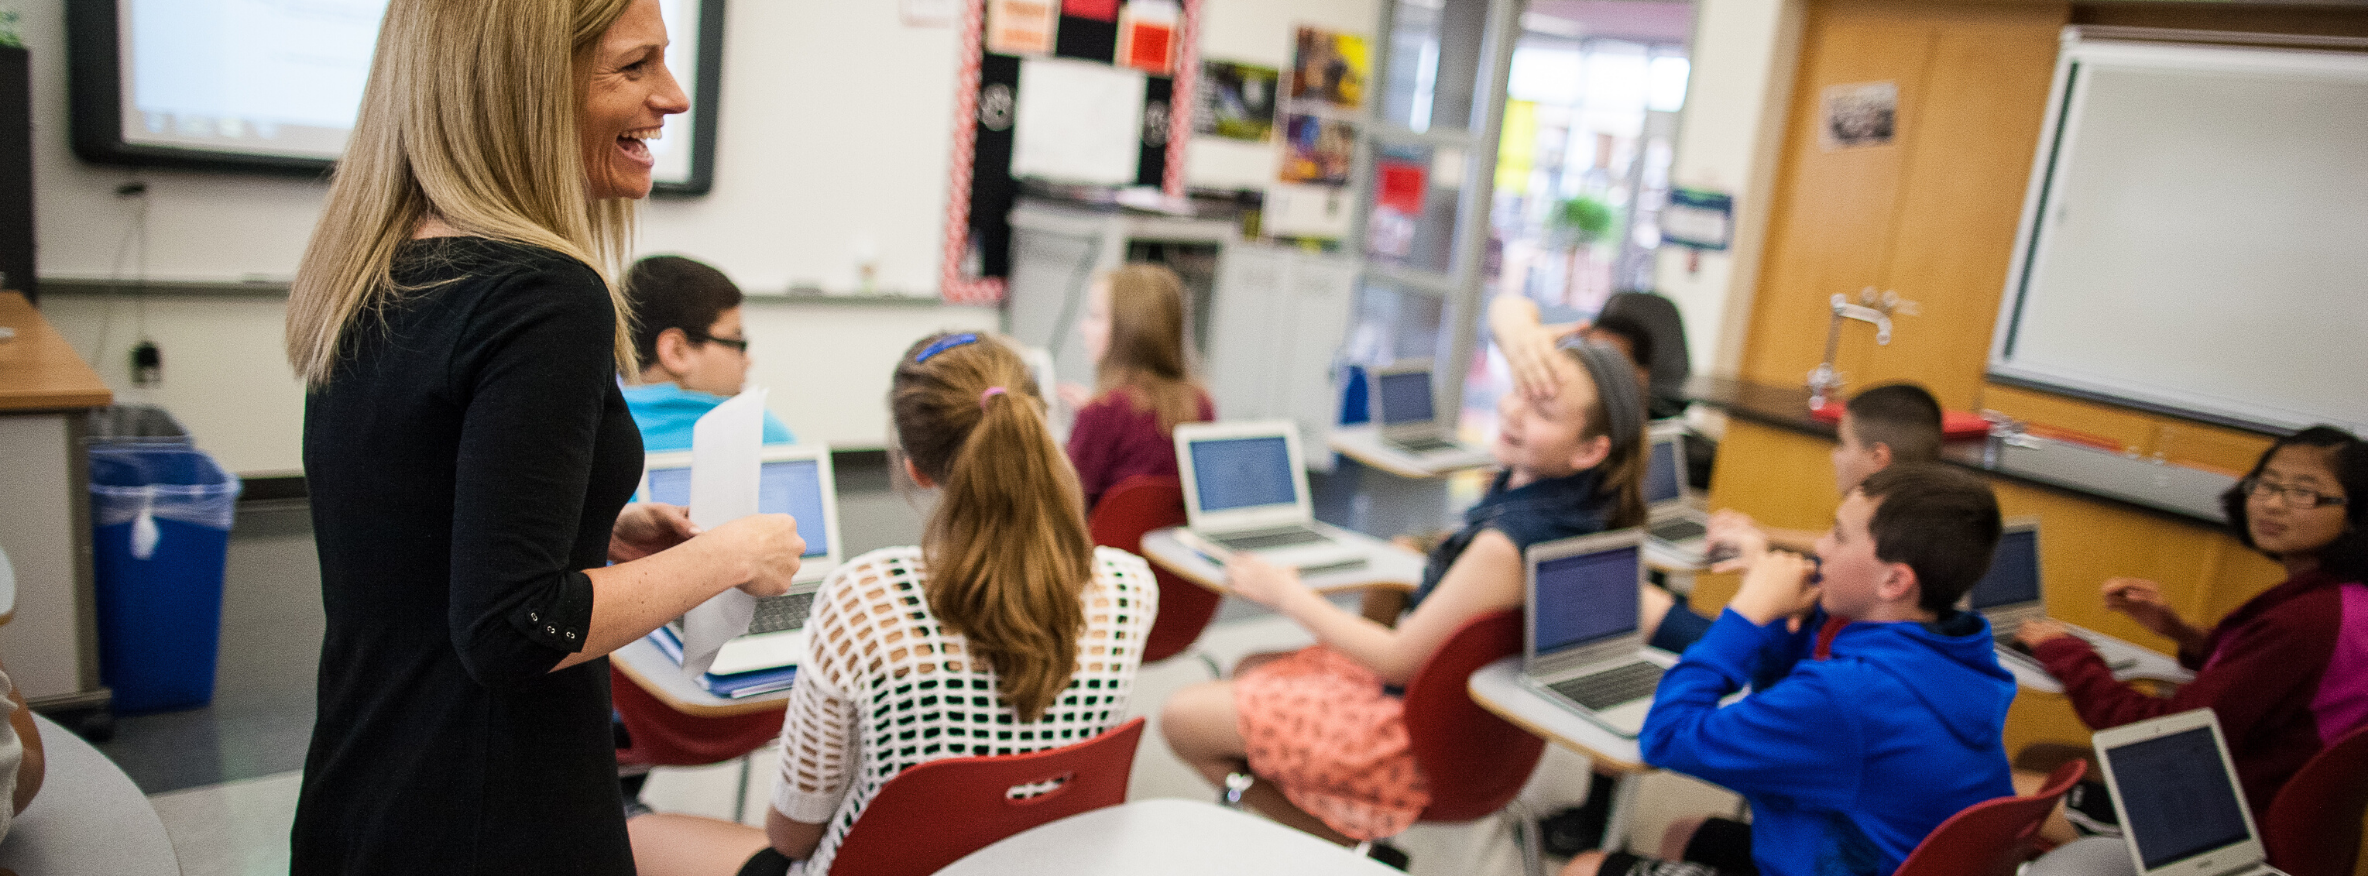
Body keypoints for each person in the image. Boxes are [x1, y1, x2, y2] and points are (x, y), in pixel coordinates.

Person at [282, 1, 805, 871]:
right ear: (526, 87)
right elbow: (516, 630)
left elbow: (410, 522)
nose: (672, 97)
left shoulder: (379, 269)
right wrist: (731, 556)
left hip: (367, 787)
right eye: (634, 68)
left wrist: (592, 525)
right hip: (495, 815)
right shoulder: (544, 299)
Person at [625, 332, 1159, 876]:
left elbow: (792, 836)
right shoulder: (1132, 587)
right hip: (1032, 864)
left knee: (633, 832)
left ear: (916, 468)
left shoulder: (865, 601)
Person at [1161, 337, 1649, 851]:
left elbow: (1396, 659)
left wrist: (1287, 595)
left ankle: (1352, 849)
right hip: (1475, 731)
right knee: (1251, 667)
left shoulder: (1502, 548)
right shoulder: (1579, 516)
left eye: (1543, 410)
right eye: (1521, 393)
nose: (1515, 412)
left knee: (1181, 719)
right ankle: (1322, 832)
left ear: (1590, 449)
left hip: (1413, 743)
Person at [1569, 464, 2015, 876]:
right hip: (1866, 855)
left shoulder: (1847, 696)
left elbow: (1665, 737)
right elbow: (1783, 699)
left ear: (1894, 582)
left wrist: (1747, 613)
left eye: (1838, 536)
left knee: (1586, 868)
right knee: (1685, 833)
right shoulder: (1962, 657)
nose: (1820, 547)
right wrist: (1782, 616)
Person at [2013, 426, 2368, 818]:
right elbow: (2272, 681)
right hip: (2280, 808)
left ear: (2356, 513)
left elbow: (2163, 734)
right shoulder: (2346, 601)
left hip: (2211, 820)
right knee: (2042, 756)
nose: (2273, 504)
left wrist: (2065, 652)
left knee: (1995, 794)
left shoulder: (2305, 622)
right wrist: (2179, 632)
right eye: (2266, 485)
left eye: (2303, 492)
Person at [1058, 263, 1215, 510]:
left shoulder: (1102, 413)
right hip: (1158, 547)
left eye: (1096, 317)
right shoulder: (1201, 403)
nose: (1082, 328)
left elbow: (1063, 500)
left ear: (1130, 332)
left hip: (1102, 546)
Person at [621, 254, 795, 451]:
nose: (748, 361)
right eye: (737, 342)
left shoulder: (599, 433)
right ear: (676, 352)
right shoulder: (759, 432)